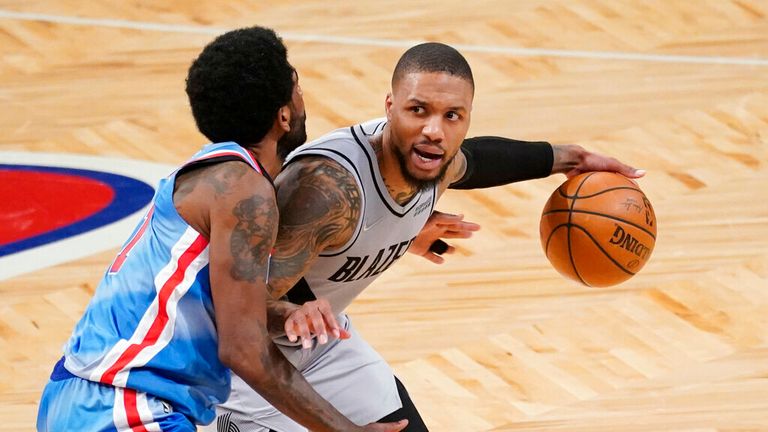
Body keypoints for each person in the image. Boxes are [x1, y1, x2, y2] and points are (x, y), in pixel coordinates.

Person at [209, 42, 644, 431]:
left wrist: (571, 157)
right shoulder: (326, 187)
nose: (435, 130)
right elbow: (236, 308)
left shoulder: (435, 163)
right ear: (390, 107)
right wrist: (292, 315)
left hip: (321, 346)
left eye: (452, 116)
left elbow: (478, 161)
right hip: (246, 369)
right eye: (419, 110)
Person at [36, 26, 408, 432]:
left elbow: (211, 305)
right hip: (126, 405)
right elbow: (243, 349)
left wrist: (286, 315)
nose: (302, 96)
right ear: (283, 115)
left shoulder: (215, 175)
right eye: (296, 84)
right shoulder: (244, 190)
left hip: (81, 397)